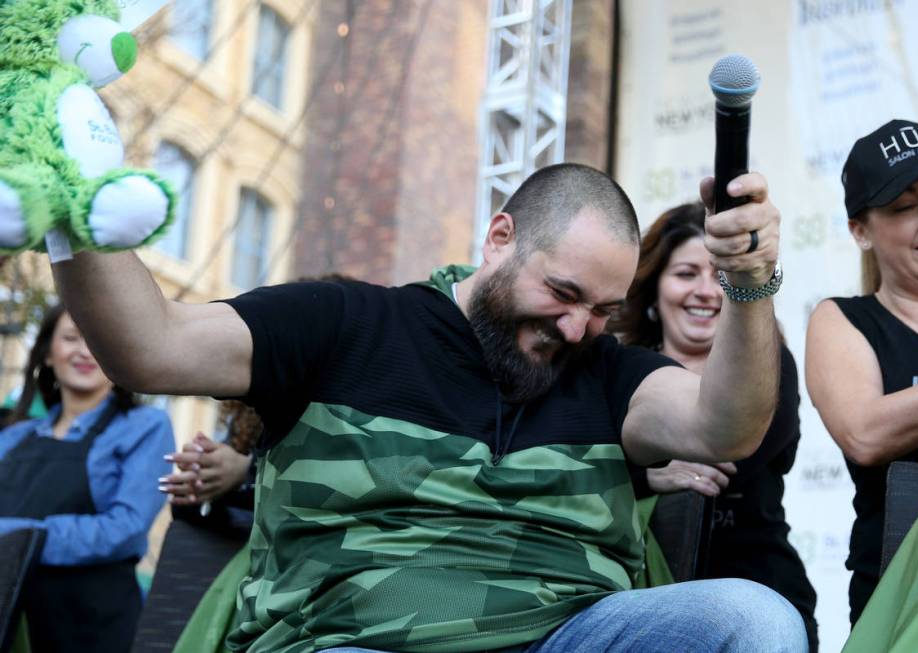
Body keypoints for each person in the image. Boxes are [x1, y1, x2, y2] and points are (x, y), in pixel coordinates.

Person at [51, 163, 805, 652]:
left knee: (756, 620)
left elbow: (726, 425)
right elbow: (149, 345)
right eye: (564, 293)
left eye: (604, 308)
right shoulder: (345, 322)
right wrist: (64, 190)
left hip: (563, 634)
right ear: (499, 238)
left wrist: (750, 282)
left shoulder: (605, 371)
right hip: (356, 637)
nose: (577, 327)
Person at [612, 202, 819, 650]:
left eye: (720, 275)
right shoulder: (614, 370)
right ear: (653, 288)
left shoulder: (769, 366)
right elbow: (579, 462)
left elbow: (733, 447)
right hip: (638, 603)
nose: (706, 290)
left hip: (762, 599)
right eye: (686, 273)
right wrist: (644, 476)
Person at [806, 118, 918, 625]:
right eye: (906, 206)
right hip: (906, 608)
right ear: (860, 230)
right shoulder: (841, 320)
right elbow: (864, 433)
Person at [0, 303, 174, 652]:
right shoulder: (13, 437)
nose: (84, 351)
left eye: (98, 340)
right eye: (71, 338)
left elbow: (126, 528)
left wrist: (19, 537)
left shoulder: (146, 427)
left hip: (94, 628)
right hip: (10, 620)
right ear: (48, 353)